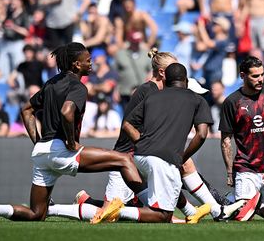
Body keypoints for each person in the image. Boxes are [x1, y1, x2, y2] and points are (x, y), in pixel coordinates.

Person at [0, 42, 144, 223]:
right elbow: (66, 112)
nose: (91, 64)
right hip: (61, 150)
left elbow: (26, 110)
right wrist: (70, 141)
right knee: (123, 159)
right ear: (77, 65)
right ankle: (152, 209)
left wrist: (39, 142)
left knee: (37, 214)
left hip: (42, 153)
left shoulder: (50, 84)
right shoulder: (78, 87)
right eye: (88, 60)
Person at [77, 50, 239, 223]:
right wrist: (144, 143)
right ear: (162, 72)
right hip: (126, 159)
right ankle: (59, 207)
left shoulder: (161, 93)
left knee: (177, 173)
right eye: (172, 68)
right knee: (111, 215)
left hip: (140, 157)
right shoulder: (147, 91)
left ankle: (210, 210)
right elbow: (128, 126)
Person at [92, 63, 214, 223]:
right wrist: (182, 157)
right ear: (185, 80)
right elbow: (202, 134)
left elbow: (127, 125)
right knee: (162, 215)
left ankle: (192, 213)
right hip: (162, 159)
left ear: (166, 79)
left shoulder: (152, 96)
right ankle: (120, 211)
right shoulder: (197, 99)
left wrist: (142, 142)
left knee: (170, 188)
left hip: (139, 156)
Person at [219, 56, 264, 221]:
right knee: (244, 218)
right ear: (243, 76)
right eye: (255, 76)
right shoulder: (232, 102)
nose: (260, 79)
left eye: (262, 75)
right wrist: (230, 172)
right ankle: (238, 202)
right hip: (246, 168)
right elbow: (226, 140)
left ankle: (249, 205)